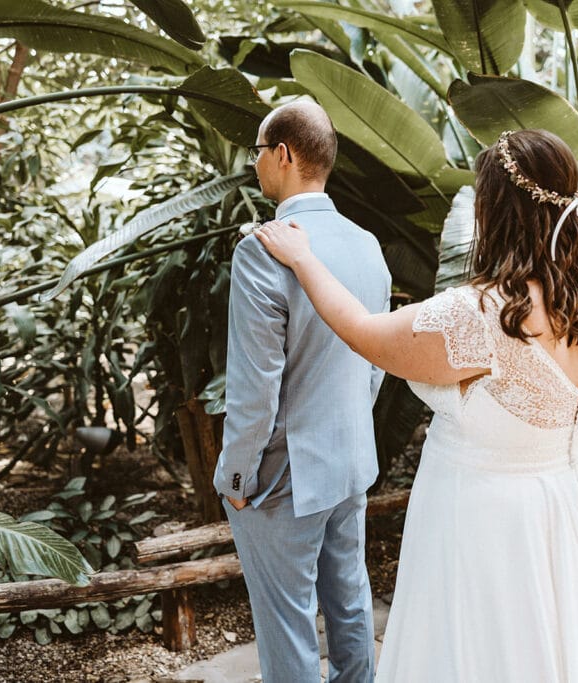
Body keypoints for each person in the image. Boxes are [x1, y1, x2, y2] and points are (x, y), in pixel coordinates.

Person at [254, 128, 578, 682]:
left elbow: (364, 332)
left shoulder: (479, 315)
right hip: (570, 500)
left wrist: (304, 259)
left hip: (488, 523)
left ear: (494, 211)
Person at [212, 100, 392, 683]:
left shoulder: (261, 249)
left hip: (282, 474)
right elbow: (375, 360)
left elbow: (254, 387)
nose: (256, 163)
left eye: (259, 152)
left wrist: (236, 477)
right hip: (350, 459)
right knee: (349, 604)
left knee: (287, 623)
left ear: (283, 155)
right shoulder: (367, 245)